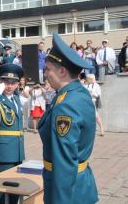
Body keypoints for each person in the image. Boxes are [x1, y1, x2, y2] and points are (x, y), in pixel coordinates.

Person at [39, 33, 98, 204]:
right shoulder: (77, 93)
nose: (46, 74)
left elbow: (64, 161)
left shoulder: (66, 105)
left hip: (68, 192)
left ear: (62, 71)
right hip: (80, 185)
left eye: (48, 69)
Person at [0, 63, 25, 204]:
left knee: (15, 184)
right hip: (5, 149)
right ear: (1, 83)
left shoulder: (16, 99)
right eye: (6, 82)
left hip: (17, 148)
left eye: (13, 83)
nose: (9, 86)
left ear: (17, 84)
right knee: (2, 185)